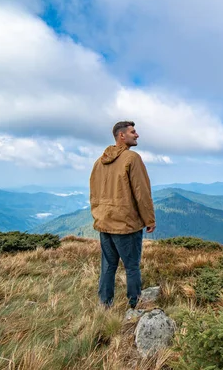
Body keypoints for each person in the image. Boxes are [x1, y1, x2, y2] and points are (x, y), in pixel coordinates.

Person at [89, 120, 156, 309]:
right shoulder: (132, 158)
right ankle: (135, 305)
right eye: (133, 132)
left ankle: (104, 305)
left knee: (108, 266)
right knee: (132, 266)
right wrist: (149, 219)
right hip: (126, 224)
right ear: (122, 135)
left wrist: (98, 215)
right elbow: (141, 192)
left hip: (105, 222)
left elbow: (94, 192)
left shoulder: (99, 162)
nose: (137, 135)